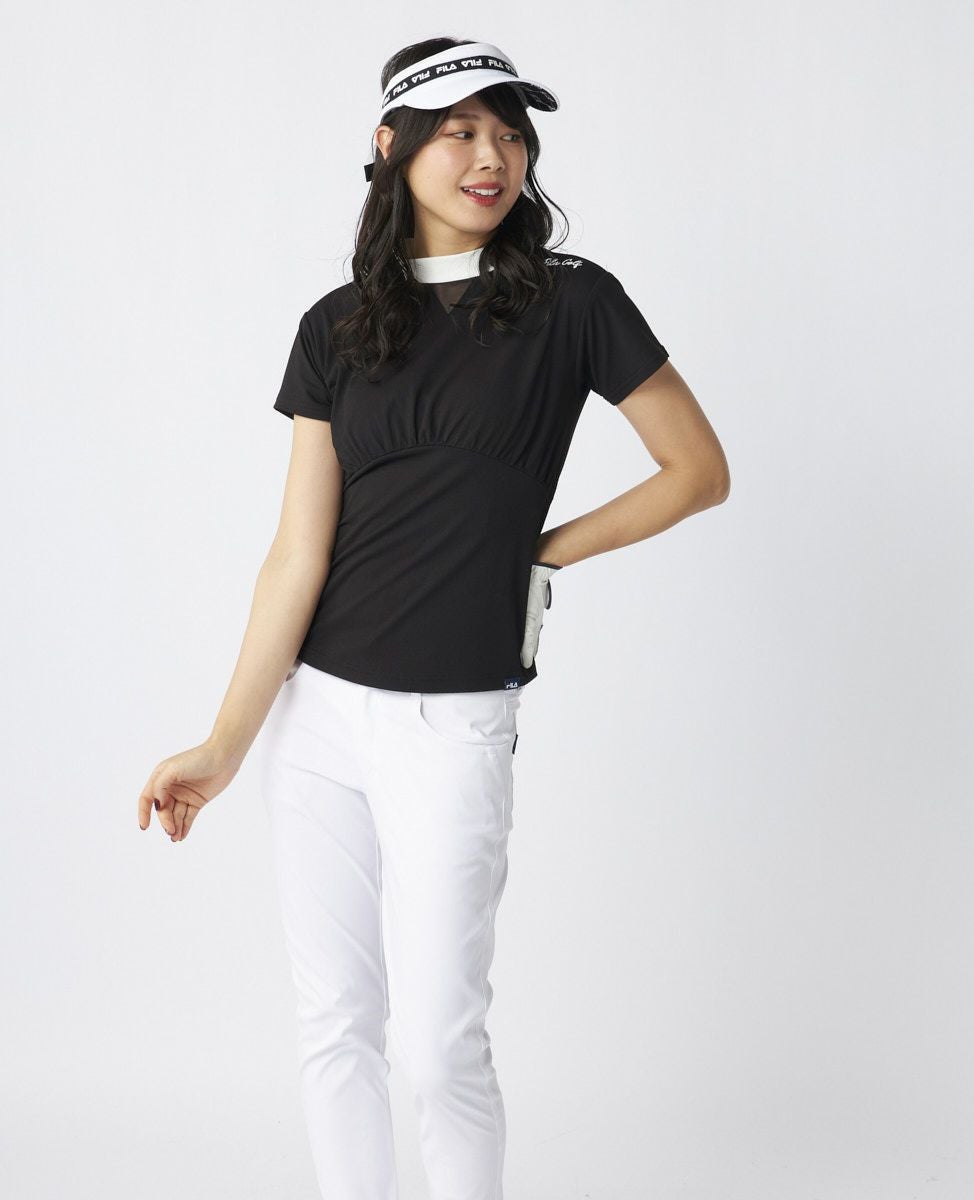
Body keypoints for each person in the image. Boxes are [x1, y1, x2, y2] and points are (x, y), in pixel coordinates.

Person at [137, 35, 730, 1200]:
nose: (491, 156)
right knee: (335, 1024)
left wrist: (539, 552)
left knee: (440, 1043)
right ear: (392, 145)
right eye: (461, 130)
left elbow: (696, 471)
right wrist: (225, 743)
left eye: (509, 134)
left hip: (453, 720)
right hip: (316, 719)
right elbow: (295, 555)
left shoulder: (571, 301)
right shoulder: (336, 325)